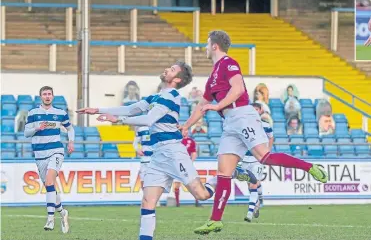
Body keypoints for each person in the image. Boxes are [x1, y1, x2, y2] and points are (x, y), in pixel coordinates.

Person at [76, 62, 253, 240]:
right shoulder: (155, 97)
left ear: (176, 79)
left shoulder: (172, 96)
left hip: (174, 152)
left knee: (202, 194)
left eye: (172, 69)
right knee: (147, 201)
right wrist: (98, 110)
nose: (167, 69)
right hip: (158, 155)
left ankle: (229, 174)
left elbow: (148, 120)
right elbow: (131, 109)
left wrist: (118, 120)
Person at [180, 30, 328, 235]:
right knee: (224, 172)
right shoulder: (212, 76)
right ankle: (215, 220)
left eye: (206, 44)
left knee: (264, 156)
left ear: (215, 46)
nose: (205, 48)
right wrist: (186, 125)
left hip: (242, 115)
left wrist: (217, 106)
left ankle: (309, 167)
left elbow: (238, 88)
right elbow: (201, 106)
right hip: (229, 123)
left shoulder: (228, 63)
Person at [24, 86, 74, 233]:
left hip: (56, 151)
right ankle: (63, 212)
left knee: (51, 181)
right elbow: (26, 133)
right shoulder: (33, 113)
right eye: (44, 94)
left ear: (53, 96)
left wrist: (71, 141)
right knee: (49, 187)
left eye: (49, 94)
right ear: (41, 97)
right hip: (40, 154)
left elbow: (70, 128)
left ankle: (50, 219)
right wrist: (36, 128)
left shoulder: (60, 113)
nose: (47, 96)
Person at [242, 102, 274, 222]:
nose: (255, 111)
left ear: (260, 111)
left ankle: (250, 213)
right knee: (250, 185)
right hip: (245, 159)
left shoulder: (265, 125)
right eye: (252, 109)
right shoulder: (244, 126)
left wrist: (268, 151)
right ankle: (259, 199)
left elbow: (271, 137)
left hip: (257, 159)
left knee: (253, 184)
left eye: (257, 109)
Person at [173, 136, 199, 207]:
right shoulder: (176, 141)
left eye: (186, 130)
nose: (185, 132)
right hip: (178, 164)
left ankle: (197, 201)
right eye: (184, 130)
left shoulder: (191, 141)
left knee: (193, 183)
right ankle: (177, 203)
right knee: (177, 184)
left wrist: (191, 161)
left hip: (187, 164)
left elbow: (194, 152)